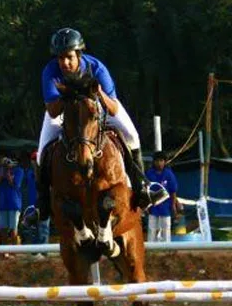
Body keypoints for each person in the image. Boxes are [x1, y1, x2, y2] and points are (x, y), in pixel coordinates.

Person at [32, 27, 167, 223]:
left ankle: (142, 188)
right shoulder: (50, 71)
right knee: (43, 149)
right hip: (64, 109)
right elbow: (53, 111)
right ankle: (42, 204)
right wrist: (68, 95)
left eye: (69, 57)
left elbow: (112, 109)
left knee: (132, 135)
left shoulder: (96, 68)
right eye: (60, 58)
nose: (65, 63)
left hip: (99, 106)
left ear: (79, 54)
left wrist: (99, 93)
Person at [145, 151, 180, 243]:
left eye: (161, 161)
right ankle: (151, 249)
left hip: (165, 207)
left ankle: (166, 249)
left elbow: (173, 191)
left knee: (166, 229)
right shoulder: (149, 174)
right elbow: (145, 191)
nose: (159, 163)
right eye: (157, 161)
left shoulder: (169, 174)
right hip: (153, 207)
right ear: (154, 162)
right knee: (152, 229)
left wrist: (173, 206)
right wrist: (146, 206)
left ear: (165, 162)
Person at [0, 156, 25, 248]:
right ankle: (4, 251)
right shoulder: (0, 170)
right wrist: (3, 170)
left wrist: (8, 172)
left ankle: (14, 250)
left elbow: (15, 184)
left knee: (13, 229)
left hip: (14, 203)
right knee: (3, 229)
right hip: (3, 203)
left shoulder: (19, 171)